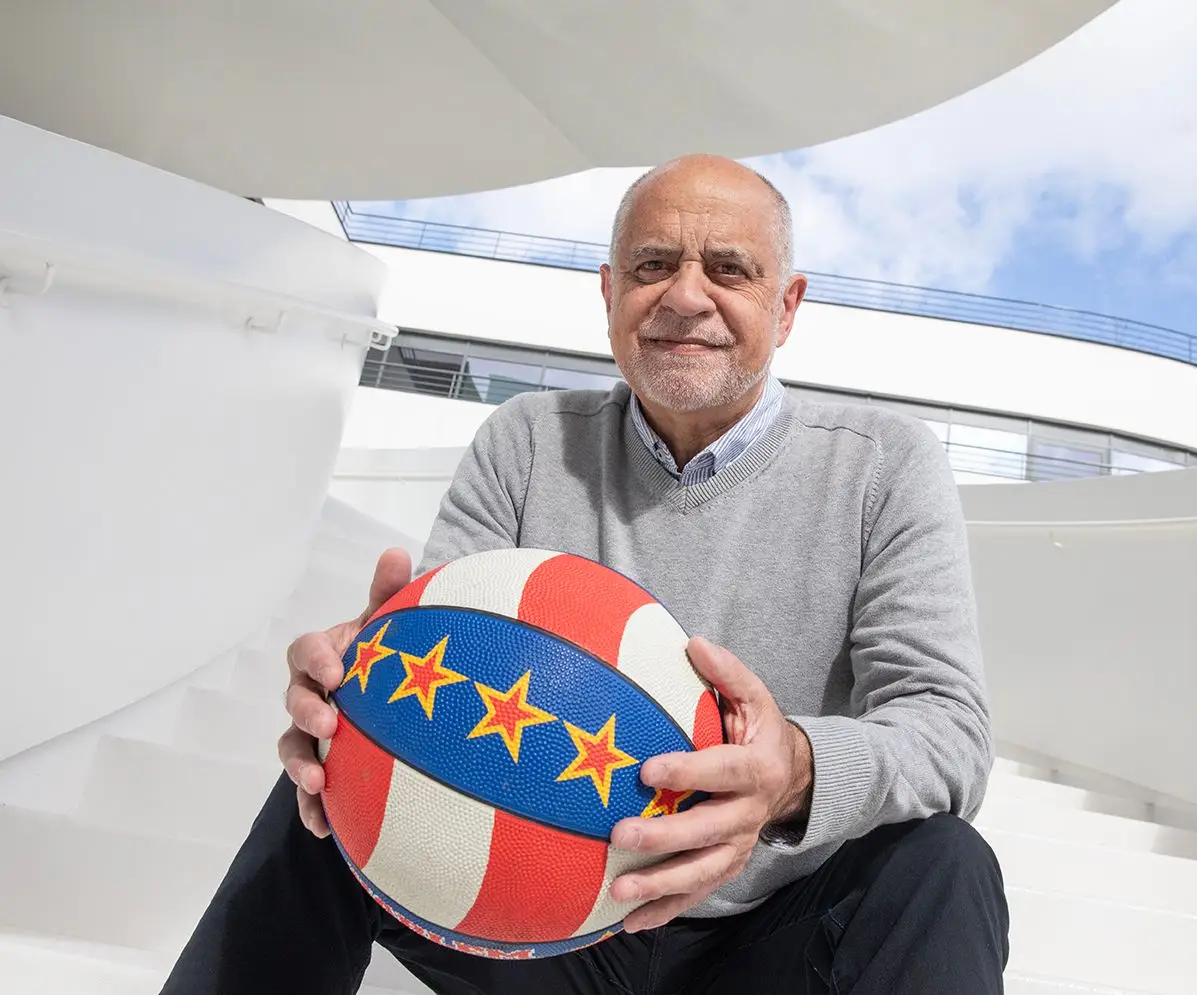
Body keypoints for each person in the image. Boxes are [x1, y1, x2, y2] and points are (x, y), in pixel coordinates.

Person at [162, 154, 1009, 994]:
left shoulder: (884, 465)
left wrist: (793, 768)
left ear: (785, 306)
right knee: (355, 754)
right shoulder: (527, 441)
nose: (685, 296)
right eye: (652, 265)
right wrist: (356, 684)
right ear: (609, 293)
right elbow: (444, 674)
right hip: (541, 915)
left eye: (727, 269)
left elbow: (947, 730)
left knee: (943, 862)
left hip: (770, 938)